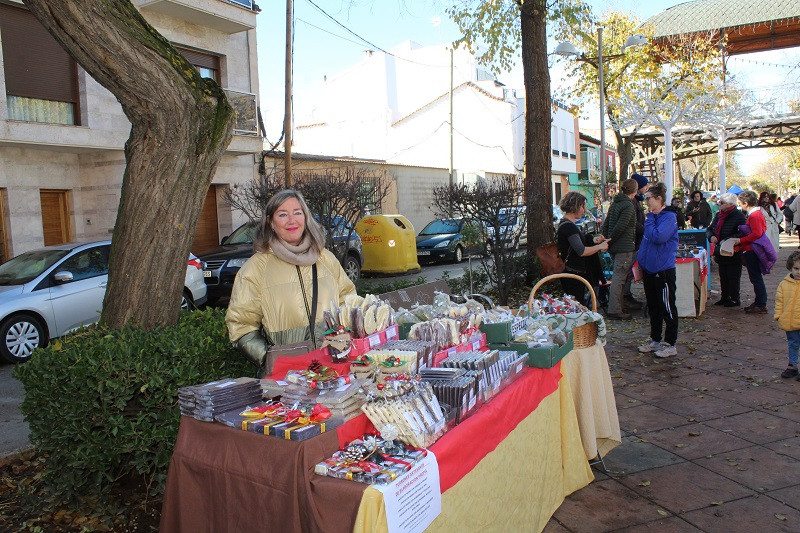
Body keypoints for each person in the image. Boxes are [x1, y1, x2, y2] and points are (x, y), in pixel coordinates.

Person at [226, 189, 357, 375]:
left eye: (297, 212)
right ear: (271, 222)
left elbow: (349, 303)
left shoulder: (326, 260)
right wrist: (270, 358)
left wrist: (345, 340)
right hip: (287, 377)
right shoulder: (255, 269)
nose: (292, 220)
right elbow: (241, 325)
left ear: (306, 217)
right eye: (282, 214)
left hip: (333, 370)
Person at [636, 182, 680, 358]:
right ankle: (655, 339)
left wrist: (650, 221)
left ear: (658, 199)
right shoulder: (651, 218)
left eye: (648, 199)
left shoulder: (668, 217)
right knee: (653, 307)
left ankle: (670, 342)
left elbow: (659, 237)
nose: (646, 202)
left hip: (663, 270)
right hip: (649, 269)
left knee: (667, 307)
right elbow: (646, 242)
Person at [556, 191, 609, 305]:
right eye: (582, 206)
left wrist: (594, 240)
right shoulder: (569, 227)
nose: (584, 210)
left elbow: (578, 244)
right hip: (573, 274)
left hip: (573, 273)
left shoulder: (567, 224)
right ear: (574, 206)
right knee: (576, 307)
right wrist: (600, 246)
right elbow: (582, 251)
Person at [602, 178, 638, 320]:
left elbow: (607, 223)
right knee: (619, 278)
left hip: (615, 246)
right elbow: (621, 226)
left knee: (618, 277)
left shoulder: (615, 203)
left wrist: (606, 238)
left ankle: (618, 306)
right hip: (624, 246)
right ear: (634, 192)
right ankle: (615, 309)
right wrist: (610, 239)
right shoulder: (628, 206)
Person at [730, 190, 768, 314]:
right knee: (755, 277)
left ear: (746, 203)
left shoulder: (754, 215)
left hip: (752, 250)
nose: (740, 206)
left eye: (740, 204)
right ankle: (759, 301)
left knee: (756, 277)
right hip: (750, 248)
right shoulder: (755, 214)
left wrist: (740, 240)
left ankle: (761, 303)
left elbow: (757, 233)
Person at [707, 192, 746, 307]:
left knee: (733, 275)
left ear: (729, 204)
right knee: (723, 275)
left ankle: (734, 298)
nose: (719, 205)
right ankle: (725, 297)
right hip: (720, 249)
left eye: (722, 203)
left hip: (733, 250)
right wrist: (711, 236)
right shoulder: (719, 215)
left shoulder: (739, 216)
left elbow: (743, 233)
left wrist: (729, 239)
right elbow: (710, 228)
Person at [623, 173, 650, 311]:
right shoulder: (632, 203)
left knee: (629, 271)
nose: (647, 187)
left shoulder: (636, 201)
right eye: (645, 185)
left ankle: (627, 296)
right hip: (632, 241)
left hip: (636, 240)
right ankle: (625, 298)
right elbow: (632, 223)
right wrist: (646, 230)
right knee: (627, 271)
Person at [775, 251, 800, 379]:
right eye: (796, 268)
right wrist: (778, 315)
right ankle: (792, 365)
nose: (799, 272)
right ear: (790, 267)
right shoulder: (784, 284)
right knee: (793, 343)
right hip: (790, 320)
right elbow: (780, 301)